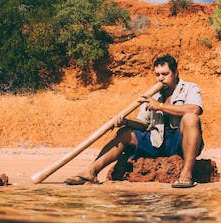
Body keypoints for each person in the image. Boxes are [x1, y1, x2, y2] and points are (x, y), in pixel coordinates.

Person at [65, 54, 204, 188]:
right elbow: (143, 124)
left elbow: (195, 109)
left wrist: (160, 106)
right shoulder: (152, 95)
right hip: (156, 142)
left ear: (176, 73)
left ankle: (187, 173)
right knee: (125, 133)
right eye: (157, 75)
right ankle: (91, 172)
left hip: (179, 142)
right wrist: (126, 121)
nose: (161, 78)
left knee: (190, 118)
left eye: (165, 74)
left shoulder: (190, 88)